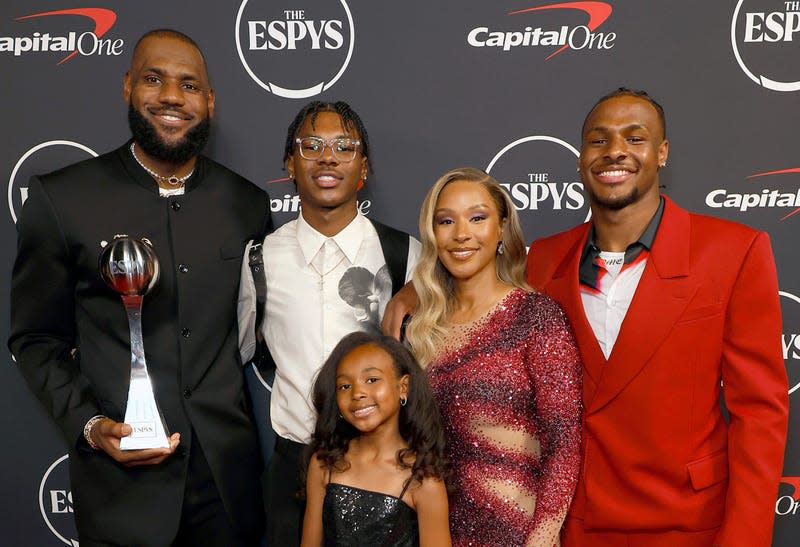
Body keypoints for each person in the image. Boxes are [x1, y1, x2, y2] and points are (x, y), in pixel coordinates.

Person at [9, 29, 269, 546]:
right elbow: (35, 340)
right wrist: (89, 425)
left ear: (209, 101)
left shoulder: (247, 205)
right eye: (154, 79)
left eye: (189, 85)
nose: (172, 97)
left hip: (228, 494)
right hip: (120, 496)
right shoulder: (63, 199)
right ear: (128, 87)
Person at [526, 88, 789, 547]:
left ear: (662, 153)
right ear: (580, 156)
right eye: (598, 139)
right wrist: (414, 293)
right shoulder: (542, 261)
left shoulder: (734, 251)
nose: (615, 152)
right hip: (575, 526)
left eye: (635, 138)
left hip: (690, 526)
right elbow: (471, 294)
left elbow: (760, 414)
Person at [237, 101, 421, 545]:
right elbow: (244, 350)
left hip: (380, 468)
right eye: (311, 145)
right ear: (290, 163)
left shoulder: (404, 255)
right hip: (293, 467)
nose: (327, 156)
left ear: (363, 167)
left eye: (344, 146)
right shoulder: (259, 259)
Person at [404, 167, 582, 547]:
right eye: (446, 221)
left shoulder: (536, 316)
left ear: (502, 228)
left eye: (478, 217)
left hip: (516, 533)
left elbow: (564, 439)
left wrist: (544, 535)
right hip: (434, 533)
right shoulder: (422, 329)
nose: (461, 233)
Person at [301, 331, 451, 547]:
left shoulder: (422, 479)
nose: (357, 393)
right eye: (345, 386)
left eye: (371, 380)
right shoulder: (324, 463)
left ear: (403, 387)